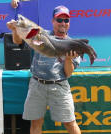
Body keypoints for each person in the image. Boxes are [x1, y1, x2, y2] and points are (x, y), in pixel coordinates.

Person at [7, 5, 81, 134]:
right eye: (59, 20)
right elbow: (18, 41)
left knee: (70, 122)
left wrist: (68, 59)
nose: (63, 23)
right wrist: (15, 30)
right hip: (37, 85)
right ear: (53, 21)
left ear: (69, 23)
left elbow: (68, 73)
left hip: (59, 86)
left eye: (66, 20)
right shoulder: (40, 34)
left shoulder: (72, 44)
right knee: (36, 123)